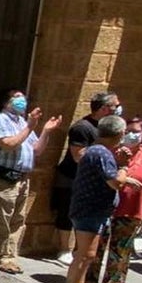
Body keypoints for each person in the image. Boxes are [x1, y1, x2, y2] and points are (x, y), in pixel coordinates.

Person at [56, 116, 141, 283]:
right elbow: (114, 182)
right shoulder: (101, 153)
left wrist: (124, 175)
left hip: (96, 210)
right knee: (83, 254)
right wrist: (123, 165)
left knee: (90, 254)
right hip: (89, 210)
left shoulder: (99, 152)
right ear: (119, 134)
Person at [0, 90, 62, 274]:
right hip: (2, 176)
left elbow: (36, 150)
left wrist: (46, 131)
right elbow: (8, 144)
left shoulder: (22, 122)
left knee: (17, 219)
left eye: (23, 97)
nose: (22, 101)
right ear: (6, 101)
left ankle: (9, 255)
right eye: (17, 97)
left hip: (22, 177)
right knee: (3, 218)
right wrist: (30, 127)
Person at [89, 117, 142, 283]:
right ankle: (89, 279)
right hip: (105, 208)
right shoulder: (111, 152)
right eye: (128, 130)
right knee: (95, 246)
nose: (131, 134)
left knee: (121, 251)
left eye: (136, 131)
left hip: (132, 211)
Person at [51, 91, 121, 265]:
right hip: (72, 177)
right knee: (66, 213)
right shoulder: (82, 127)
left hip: (95, 181)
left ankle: (80, 250)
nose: (119, 108)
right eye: (115, 105)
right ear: (104, 108)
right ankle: (64, 248)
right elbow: (78, 155)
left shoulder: (106, 128)